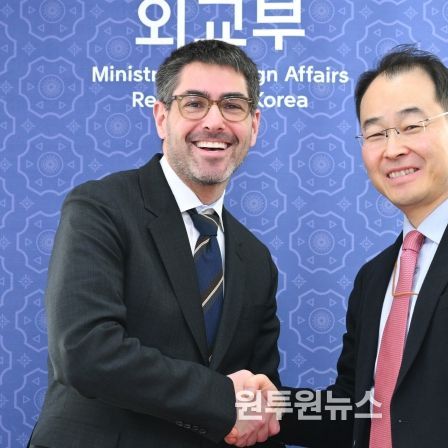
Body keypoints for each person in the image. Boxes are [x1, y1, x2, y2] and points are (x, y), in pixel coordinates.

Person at [235, 44, 448, 448]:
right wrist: (270, 406)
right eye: (375, 134)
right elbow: (358, 410)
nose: (393, 149)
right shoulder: (374, 278)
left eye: (411, 126)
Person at [29, 40, 283, 448]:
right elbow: (85, 352)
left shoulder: (255, 259)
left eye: (232, 106)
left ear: (254, 125)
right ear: (162, 117)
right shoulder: (101, 207)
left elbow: (258, 399)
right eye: (194, 104)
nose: (214, 121)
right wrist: (221, 398)